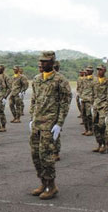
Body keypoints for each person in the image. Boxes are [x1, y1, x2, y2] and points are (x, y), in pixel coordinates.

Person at [29, 51, 71, 200]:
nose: (41, 63)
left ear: (52, 63)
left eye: (45, 61)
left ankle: (51, 186)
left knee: (46, 156)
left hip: (50, 123)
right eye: (40, 61)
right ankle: (43, 182)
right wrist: (31, 117)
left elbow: (64, 103)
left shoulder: (60, 80)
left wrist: (59, 123)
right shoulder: (36, 79)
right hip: (37, 123)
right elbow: (34, 99)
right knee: (35, 155)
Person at [91, 65, 108, 153]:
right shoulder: (94, 81)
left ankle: (105, 145)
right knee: (95, 126)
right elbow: (92, 93)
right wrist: (92, 104)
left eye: (101, 70)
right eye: (98, 69)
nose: (99, 71)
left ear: (105, 71)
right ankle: (99, 144)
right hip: (95, 106)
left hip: (104, 106)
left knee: (102, 126)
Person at [0, 64, 11, 132]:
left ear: (3, 69)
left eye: (0, 69)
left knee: (1, 111)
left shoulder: (6, 77)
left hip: (2, 96)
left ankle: (3, 126)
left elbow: (9, 88)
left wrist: (5, 97)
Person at [81, 66, 95, 136]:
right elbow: (82, 88)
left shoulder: (94, 79)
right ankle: (86, 129)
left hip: (89, 100)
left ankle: (90, 130)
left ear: (92, 71)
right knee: (83, 115)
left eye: (88, 70)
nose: (87, 71)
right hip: (83, 99)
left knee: (89, 115)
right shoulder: (84, 79)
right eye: (86, 70)